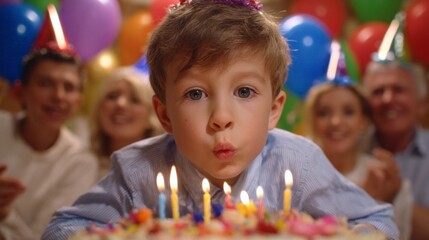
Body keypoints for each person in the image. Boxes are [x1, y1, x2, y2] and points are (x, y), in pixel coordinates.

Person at [42, 1, 399, 239]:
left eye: (244, 92)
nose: (221, 119)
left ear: (274, 109)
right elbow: (62, 227)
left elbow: (381, 221)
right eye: (196, 94)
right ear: (165, 114)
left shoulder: (298, 162)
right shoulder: (137, 170)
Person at [0, 42, 98, 240]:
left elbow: (44, 236)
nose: (58, 96)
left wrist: (5, 213)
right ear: (22, 91)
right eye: (45, 83)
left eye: (68, 87)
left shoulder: (80, 162)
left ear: (78, 100)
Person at [304, 80, 413, 239]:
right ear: (313, 121)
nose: (336, 122)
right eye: (324, 113)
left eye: (348, 112)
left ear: (364, 121)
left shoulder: (385, 179)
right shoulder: (299, 173)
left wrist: (380, 203)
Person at [362, 59, 429, 240]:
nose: (387, 99)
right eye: (378, 91)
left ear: (422, 103)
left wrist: (393, 197)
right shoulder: (350, 149)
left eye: (399, 90)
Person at [90, 67, 164, 180]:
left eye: (135, 99)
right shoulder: (79, 164)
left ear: (152, 117)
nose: (120, 104)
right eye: (112, 96)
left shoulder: (165, 172)